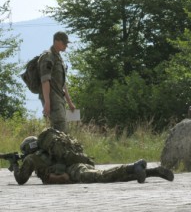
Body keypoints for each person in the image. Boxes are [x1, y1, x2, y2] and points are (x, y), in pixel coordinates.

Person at [11, 131, 174, 185]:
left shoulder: (32, 159)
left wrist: (15, 165)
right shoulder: (50, 152)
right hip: (76, 165)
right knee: (109, 177)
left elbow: (21, 179)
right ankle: (151, 171)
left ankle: (134, 166)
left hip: (73, 171)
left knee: (103, 177)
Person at [39, 31, 76, 132]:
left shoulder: (59, 58)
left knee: (61, 129)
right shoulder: (48, 57)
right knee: (60, 127)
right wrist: (47, 102)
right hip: (52, 97)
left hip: (59, 97)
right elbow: (45, 80)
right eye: (64, 43)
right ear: (56, 41)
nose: (66, 46)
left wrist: (69, 102)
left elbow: (62, 83)